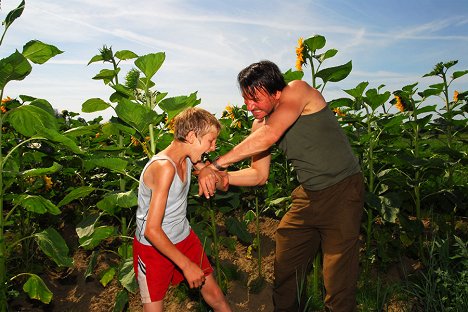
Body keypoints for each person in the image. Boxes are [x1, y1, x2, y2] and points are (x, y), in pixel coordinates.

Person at [198, 60, 364, 312]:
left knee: (338, 278)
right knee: (286, 265)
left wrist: (217, 165)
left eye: (255, 99)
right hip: (308, 196)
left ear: (276, 92)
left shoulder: (298, 91)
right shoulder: (259, 124)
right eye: (245, 99)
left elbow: (270, 136)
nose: (249, 106)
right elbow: (258, 175)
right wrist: (224, 178)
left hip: (342, 190)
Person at [133, 107, 232, 312]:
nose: (213, 148)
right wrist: (186, 265)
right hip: (153, 246)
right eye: (210, 141)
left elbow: (224, 184)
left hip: (183, 237)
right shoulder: (164, 167)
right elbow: (152, 230)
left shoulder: (189, 158)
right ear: (191, 136)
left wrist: (205, 170)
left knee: (215, 296)